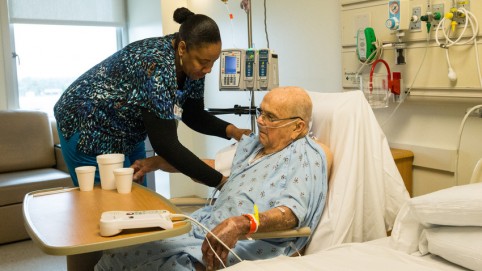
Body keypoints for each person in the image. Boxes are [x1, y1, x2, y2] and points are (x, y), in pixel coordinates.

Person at [94, 86, 332, 271]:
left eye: (271, 117)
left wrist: (241, 224)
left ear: (298, 127)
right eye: (261, 112)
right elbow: (208, 169)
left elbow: (292, 213)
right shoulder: (254, 147)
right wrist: (155, 162)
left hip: (245, 241)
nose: (260, 121)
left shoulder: (305, 154)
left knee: (166, 266)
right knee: (121, 250)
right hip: (204, 225)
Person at [53, 7, 250, 187]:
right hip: (88, 124)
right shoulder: (154, 64)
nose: (208, 69)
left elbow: (193, 114)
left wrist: (233, 131)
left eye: (213, 62)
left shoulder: (193, 65)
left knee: (138, 199)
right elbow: (166, 145)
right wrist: (221, 182)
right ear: (182, 48)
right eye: (204, 62)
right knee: (108, 204)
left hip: (127, 131)